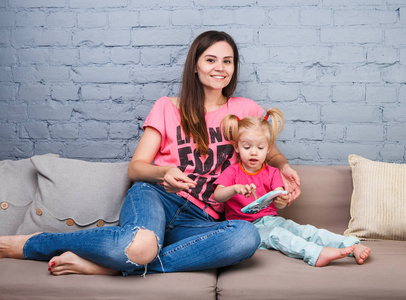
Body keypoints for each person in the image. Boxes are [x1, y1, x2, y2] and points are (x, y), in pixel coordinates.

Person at [0, 31, 301, 276]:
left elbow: (269, 153)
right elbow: (136, 168)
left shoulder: (245, 110)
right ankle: (32, 244)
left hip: (203, 220)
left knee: (246, 237)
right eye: (211, 60)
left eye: (227, 61)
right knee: (142, 244)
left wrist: (284, 168)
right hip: (157, 197)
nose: (220, 68)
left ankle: (115, 268)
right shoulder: (167, 107)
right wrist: (163, 173)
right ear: (195, 65)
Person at [213, 108, 371, 267]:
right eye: (247, 147)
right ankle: (316, 254)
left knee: (306, 230)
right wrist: (234, 189)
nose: (253, 152)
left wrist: (281, 198)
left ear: (268, 149)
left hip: (272, 220)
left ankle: (352, 245)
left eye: (260, 148)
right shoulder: (232, 171)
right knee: (279, 235)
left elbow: (279, 200)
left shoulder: (273, 172)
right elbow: (217, 195)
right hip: (247, 229)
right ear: (237, 148)